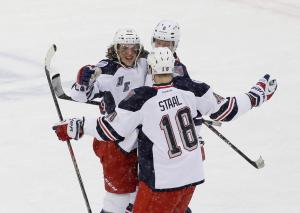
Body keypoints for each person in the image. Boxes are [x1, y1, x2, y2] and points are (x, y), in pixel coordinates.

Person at [53, 47, 277, 212]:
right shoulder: (192, 89)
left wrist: (76, 126)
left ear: (150, 68)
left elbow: (111, 130)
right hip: (191, 179)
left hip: (161, 185)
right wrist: (257, 94)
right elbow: (227, 110)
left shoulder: (141, 98)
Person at [69, 28, 148, 213]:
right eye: (124, 48)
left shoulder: (145, 62)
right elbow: (80, 95)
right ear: (115, 49)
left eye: (133, 48)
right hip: (115, 140)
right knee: (118, 199)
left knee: (142, 192)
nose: (129, 53)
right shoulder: (107, 70)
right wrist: (83, 82)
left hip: (143, 139)